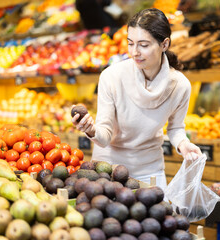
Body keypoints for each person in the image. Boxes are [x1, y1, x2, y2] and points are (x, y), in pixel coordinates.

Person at [72, 8, 202, 190]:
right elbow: (104, 135)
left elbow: (176, 128)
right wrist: (91, 130)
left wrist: (183, 144)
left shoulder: (180, 86)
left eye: (143, 45)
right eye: (130, 43)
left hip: (150, 171)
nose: (134, 52)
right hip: (107, 172)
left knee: (156, 217)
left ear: (164, 44)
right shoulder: (112, 76)